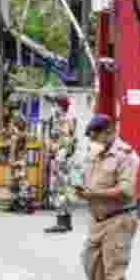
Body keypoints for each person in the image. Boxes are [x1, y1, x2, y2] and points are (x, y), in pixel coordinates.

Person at [76, 114, 140, 280]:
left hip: (119, 220)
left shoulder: (126, 156)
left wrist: (94, 194)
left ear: (109, 132)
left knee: (114, 272)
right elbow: (90, 182)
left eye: (96, 137)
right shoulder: (96, 155)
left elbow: (126, 190)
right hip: (97, 221)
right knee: (92, 266)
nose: (93, 142)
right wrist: (82, 190)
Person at [45, 96, 79, 233]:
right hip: (66, 159)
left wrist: (53, 148)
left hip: (61, 159)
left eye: (55, 105)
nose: (54, 108)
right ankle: (67, 221)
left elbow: (64, 140)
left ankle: (61, 222)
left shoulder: (64, 121)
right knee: (66, 190)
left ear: (60, 106)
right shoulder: (69, 120)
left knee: (59, 190)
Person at [4, 98, 32, 213]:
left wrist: (15, 133)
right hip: (14, 153)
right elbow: (10, 134)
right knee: (13, 180)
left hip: (19, 154)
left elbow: (23, 135)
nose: (12, 111)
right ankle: (14, 202)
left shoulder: (21, 119)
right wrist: (8, 132)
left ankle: (25, 203)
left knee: (21, 178)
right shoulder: (13, 120)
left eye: (12, 108)